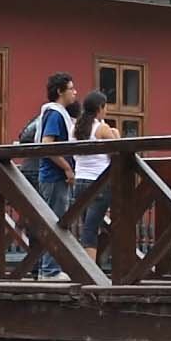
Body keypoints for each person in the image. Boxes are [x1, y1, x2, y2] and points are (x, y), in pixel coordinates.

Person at [15, 71, 76, 272]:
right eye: (71, 89)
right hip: (53, 176)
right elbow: (47, 144)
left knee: (53, 222)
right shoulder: (55, 113)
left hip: (50, 175)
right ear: (60, 91)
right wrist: (67, 167)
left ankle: (45, 268)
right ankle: (50, 270)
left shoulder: (50, 113)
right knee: (56, 224)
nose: (75, 93)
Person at [67, 94, 119, 257]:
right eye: (105, 107)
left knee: (87, 226)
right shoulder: (102, 129)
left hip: (80, 181)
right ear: (99, 108)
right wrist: (116, 134)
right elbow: (117, 153)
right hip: (99, 182)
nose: (107, 111)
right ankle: (90, 273)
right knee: (91, 229)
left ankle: (90, 267)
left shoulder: (75, 128)